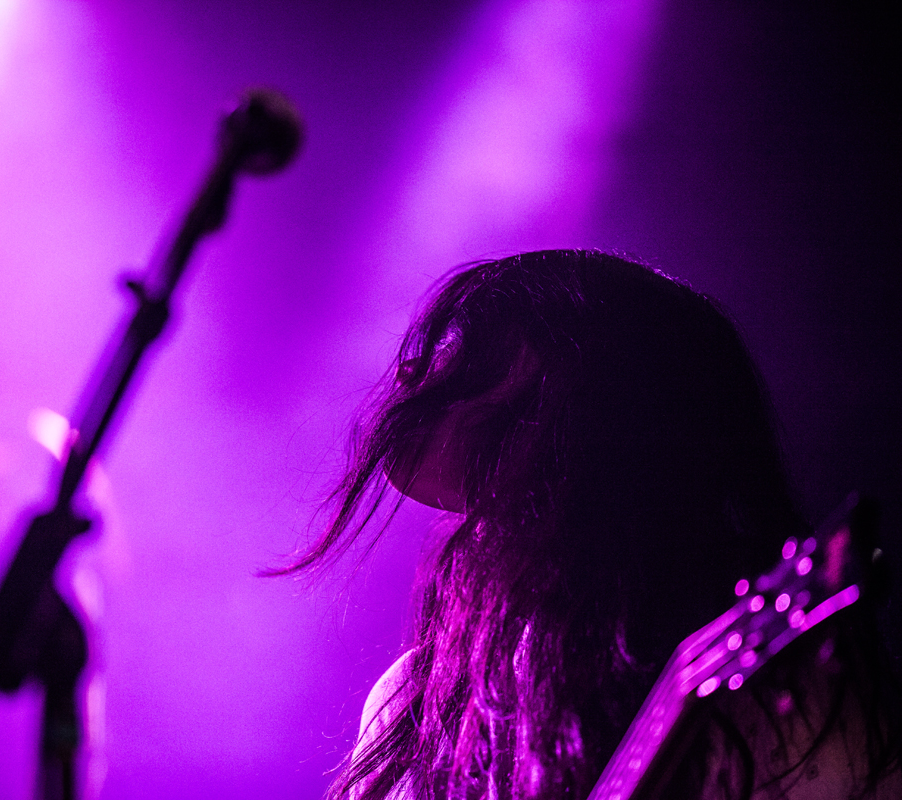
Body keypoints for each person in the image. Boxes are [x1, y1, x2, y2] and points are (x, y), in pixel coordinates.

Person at [283, 251, 900, 799]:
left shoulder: (784, 707)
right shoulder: (411, 704)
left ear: (596, 402)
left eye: (478, 335)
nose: (416, 371)